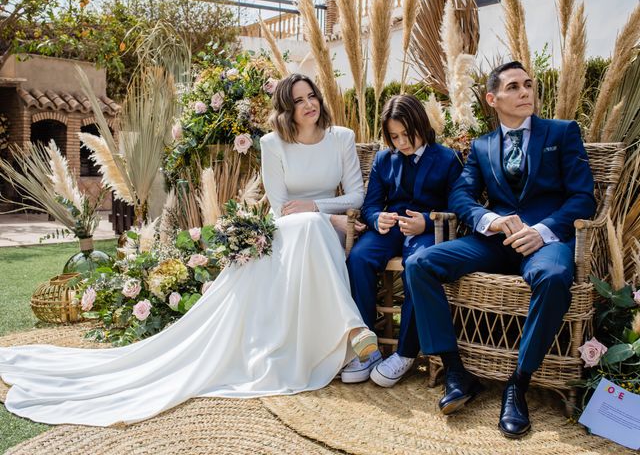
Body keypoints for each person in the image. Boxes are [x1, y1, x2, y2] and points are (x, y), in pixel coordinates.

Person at [0, 73, 377, 427]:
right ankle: (352, 329)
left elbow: (357, 194)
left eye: (312, 96)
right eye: (299, 100)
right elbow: (279, 208)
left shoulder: (341, 137)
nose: (309, 104)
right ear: (286, 109)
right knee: (306, 225)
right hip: (292, 228)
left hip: (325, 228)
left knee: (311, 224)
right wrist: (321, 215)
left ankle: (349, 331)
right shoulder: (271, 143)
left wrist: (319, 210)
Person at [405, 61, 596, 438]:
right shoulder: (481, 145)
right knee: (420, 262)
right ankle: (456, 373)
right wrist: (488, 220)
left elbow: (583, 198)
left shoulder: (562, 133)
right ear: (493, 99)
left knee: (556, 276)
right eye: (514, 87)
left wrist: (542, 232)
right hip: (494, 242)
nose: (525, 92)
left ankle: (518, 384)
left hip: (545, 242)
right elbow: (460, 194)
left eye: (528, 85)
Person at [343, 94, 463, 386]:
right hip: (391, 228)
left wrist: (428, 219)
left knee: (416, 267)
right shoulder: (384, 159)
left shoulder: (447, 158)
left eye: (407, 135)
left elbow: (459, 207)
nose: (402, 143)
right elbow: (371, 205)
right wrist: (375, 219)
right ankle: (367, 350)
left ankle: (405, 353)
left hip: (427, 230)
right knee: (358, 258)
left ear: (421, 124)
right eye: (394, 137)